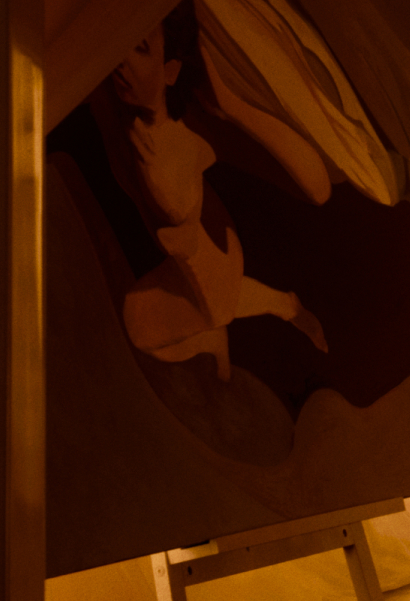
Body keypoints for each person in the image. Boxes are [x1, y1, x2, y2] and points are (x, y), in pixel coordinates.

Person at [94, 19, 330, 377]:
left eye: (141, 49)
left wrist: (233, 105)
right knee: (150, 319)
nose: (121, 62)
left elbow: (318, 185)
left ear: (170, 70)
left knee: (139, 326)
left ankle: (256, 317)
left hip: (211, 286)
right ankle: (283, 306)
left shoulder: (191, 134)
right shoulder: (125, 116)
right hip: (207, 265)